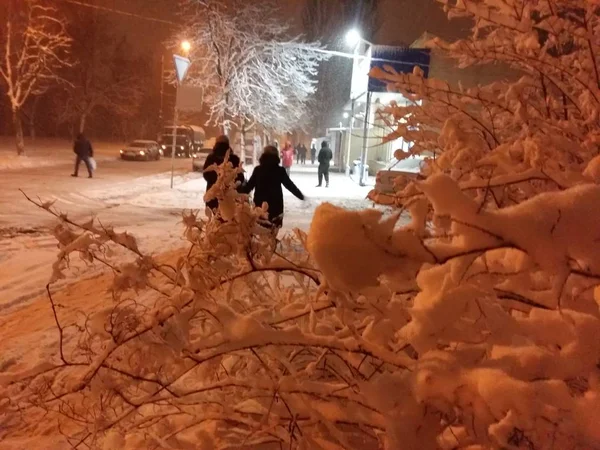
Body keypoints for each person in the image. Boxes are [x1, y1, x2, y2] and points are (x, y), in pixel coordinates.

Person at [243, 145, 304, 230]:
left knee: (261, 233)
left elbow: (249, 187)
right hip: (276, 207)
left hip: (260, 207)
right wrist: (300, 195)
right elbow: (289, 185)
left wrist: (237, 192)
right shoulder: (280, 170)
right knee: (273, 232)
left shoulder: (258, 170)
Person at [202, 135, 244, 212]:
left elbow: (205, 174)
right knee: (229, 219)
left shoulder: (211, 158)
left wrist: (215, 181)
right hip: (230, 197)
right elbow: (240, 177)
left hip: (213, 195)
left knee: (214, 219)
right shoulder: (234, 158)